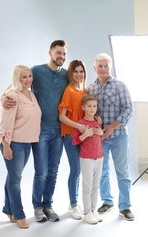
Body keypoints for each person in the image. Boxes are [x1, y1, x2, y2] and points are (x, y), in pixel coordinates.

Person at [2, 40, 69, 222]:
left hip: (60, 129)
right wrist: (3, 97)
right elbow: (18, 84)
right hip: (40, 130)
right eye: (58, 53)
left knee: (53, 171)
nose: (61, 57)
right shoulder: (37, 71)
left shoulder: (66, 75)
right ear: (50, 53)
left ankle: (48, 205)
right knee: (41, 171)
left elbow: (76, 90)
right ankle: (37, 207)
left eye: (64, 54)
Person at [86, 53, 135, 221]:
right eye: (100, 66)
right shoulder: (90, 89)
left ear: (111, 67)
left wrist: (111, 127)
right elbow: (88, 112)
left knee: (123, 172)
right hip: (99, 138)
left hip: (119, 136)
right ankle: (107, 201)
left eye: (106, 65)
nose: (103, 69)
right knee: (102, 172)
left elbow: (128, 109)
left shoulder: (120, 86)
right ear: (95, 68)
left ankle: (125, 206)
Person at [0, 65, 41, 229]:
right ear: (17, 78)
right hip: (13, 143)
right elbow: (5, 122)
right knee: (15, 180)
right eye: (24, 77)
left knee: (12, 177)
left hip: (27, 143)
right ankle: (18, 214)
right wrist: (5, 144)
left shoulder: (31, 95)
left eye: (29, 76)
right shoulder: (12, 96)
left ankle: (8, 209)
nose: (28, 80)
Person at [58, 60, 87, 220]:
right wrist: (78, 126)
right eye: (75, 71)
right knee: (75, 170)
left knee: (79, 170)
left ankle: (73, 202)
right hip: (70, 135)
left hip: (82, 136)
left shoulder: (84, 91)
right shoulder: (69, 91)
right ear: (71, 73)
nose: (78, 74)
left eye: (81, 71)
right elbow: (62, 117)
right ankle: (74, 204)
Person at [71, 94, 104, 224]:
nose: (92, 109)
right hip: (87, 159)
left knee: (96, 186)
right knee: (88, 186)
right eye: (89, 106)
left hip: (99, 157)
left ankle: (94, 210)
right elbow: (74, 141)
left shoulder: (97, 122)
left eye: (94, 106)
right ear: (83, 107)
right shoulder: (80, 123)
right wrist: (85, 134)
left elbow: (99, 138)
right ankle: (86, 212)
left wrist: (101, 134)